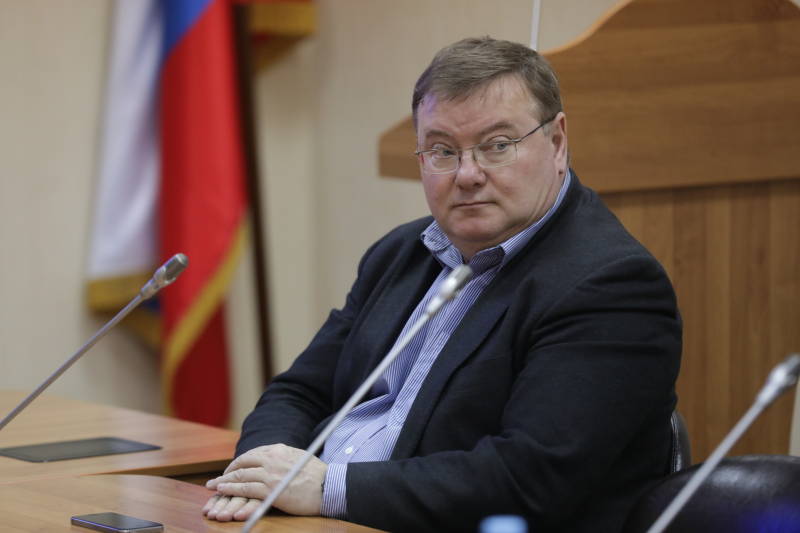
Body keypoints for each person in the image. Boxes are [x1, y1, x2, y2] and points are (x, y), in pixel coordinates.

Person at [203, 36, 682, 533]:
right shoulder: (402, 253)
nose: (468, 174)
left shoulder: (611, 285)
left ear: (557, 142)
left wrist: (326, 488)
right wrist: (262, 472)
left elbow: (527, 479)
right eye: (442, 151)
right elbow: (301, 391)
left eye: (497, 146)